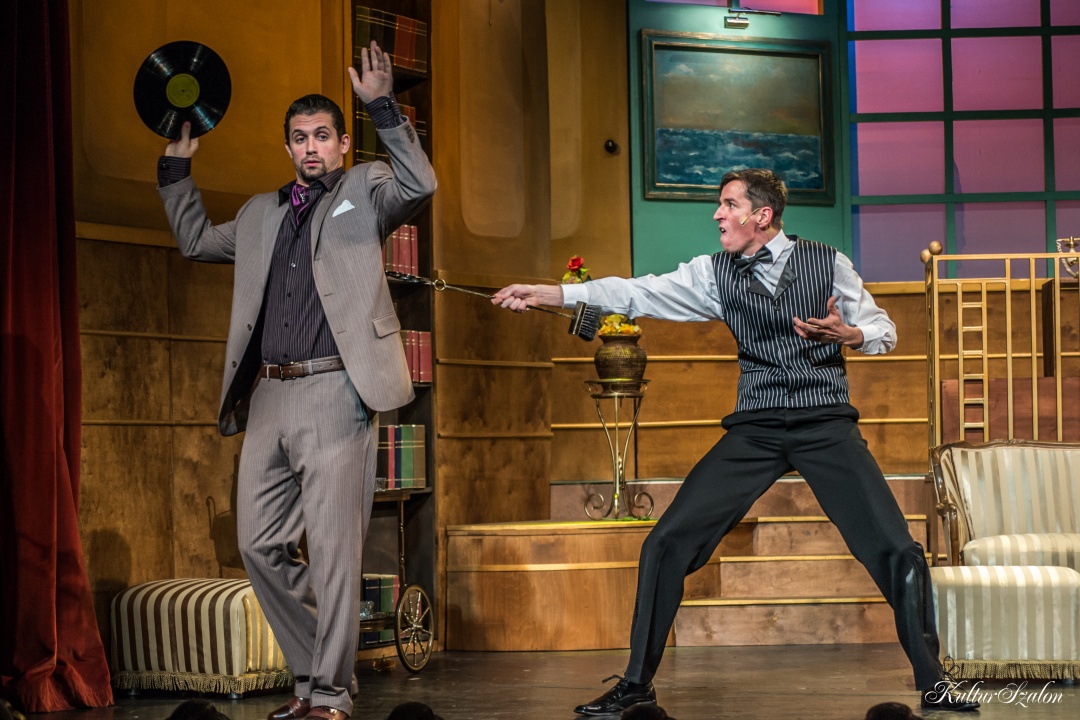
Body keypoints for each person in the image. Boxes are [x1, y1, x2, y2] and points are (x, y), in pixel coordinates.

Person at [492, 169, 979, 715]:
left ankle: (935, 682)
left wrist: (852, 334)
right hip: (757, 427)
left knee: (899, 550)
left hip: (824, 424)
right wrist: (554, 293)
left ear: (761, 215)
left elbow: (884, 332)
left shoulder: (829, 262)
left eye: (728, 204)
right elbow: (637, 292)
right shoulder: (713, 273)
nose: (718, 214)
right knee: (665, 543)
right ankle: (636, 684)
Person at [156, 41, 436, 720]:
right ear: (288, 148)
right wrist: (175, 170)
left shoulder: (366, 189)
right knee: (257, 544)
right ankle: (317, 674)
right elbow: (196, 241)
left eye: (322, 136)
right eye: (300, 138)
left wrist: (382, 106)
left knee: (335, 551)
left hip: (336, 389)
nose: (311, 147)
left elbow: (420, 186)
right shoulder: (261, 213)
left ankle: (328, 695)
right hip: (269, 395)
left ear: (341, 143)